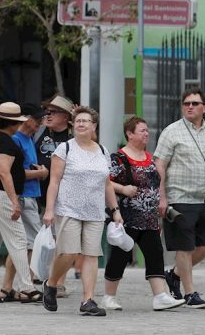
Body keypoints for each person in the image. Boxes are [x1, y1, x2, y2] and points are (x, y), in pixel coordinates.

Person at [42, 107, 122, 316]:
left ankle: (88, 300)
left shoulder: (103, 152)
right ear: (73, 125)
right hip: (69, 208)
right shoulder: (64, 149)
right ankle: (51, 284)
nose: (81, 124)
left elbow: (106, 185)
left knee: (91, 254)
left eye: (86, 121)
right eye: (78, 121)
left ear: (94, 126)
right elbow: (54, 181)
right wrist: (49, 210)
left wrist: (115, 210)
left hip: (95, 212)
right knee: (68, 253)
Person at [155, 88, 205, 308]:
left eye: (195, 103)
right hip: (180, 197)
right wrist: (162, 197)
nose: (189, 106)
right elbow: (159, 165)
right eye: (186, 103)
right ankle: (190, 294)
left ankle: (175, 274)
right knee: (184, 248)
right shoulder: (172, 131)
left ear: (204, 107)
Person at [101, 117, 185, 311]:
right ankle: (108, 296)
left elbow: (156, 185)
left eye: (147, 130)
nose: (146, 134)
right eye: (142, 131)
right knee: (120, 256)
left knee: (155, 254)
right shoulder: (119, 158)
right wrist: (123, 189)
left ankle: (160, 296)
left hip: (149, 219)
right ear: (129, 134)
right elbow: (105, 181)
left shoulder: (150, 158)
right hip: (126, 217)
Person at [0, 102, 41, 304]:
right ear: (13, 122)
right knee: (19, 240)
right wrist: (14, 201)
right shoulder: (5, 143)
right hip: (0, 194)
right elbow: (4, 172)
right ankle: (27, 288)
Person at [1, 103, 48, 292]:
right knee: (31, 242)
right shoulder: (16, 140)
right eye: (37, 119)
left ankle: (9, 285)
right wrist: (41, 173)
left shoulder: (29, 139)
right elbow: (16, 173)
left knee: (23, 243)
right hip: (23, 196)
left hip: (31, 195)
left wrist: (40, 172)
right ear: (26, 118)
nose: (40, 122)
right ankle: (25, 284)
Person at [35, 94, 79, 292]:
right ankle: (41, 276)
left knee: (63, 241)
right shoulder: (41, 133)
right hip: (41, 194)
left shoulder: (73, 138)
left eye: (53, 112)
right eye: (47, 112)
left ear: (65, 117)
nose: (48, 115)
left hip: (67, 196)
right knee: (45, 239)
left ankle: (59, 282)